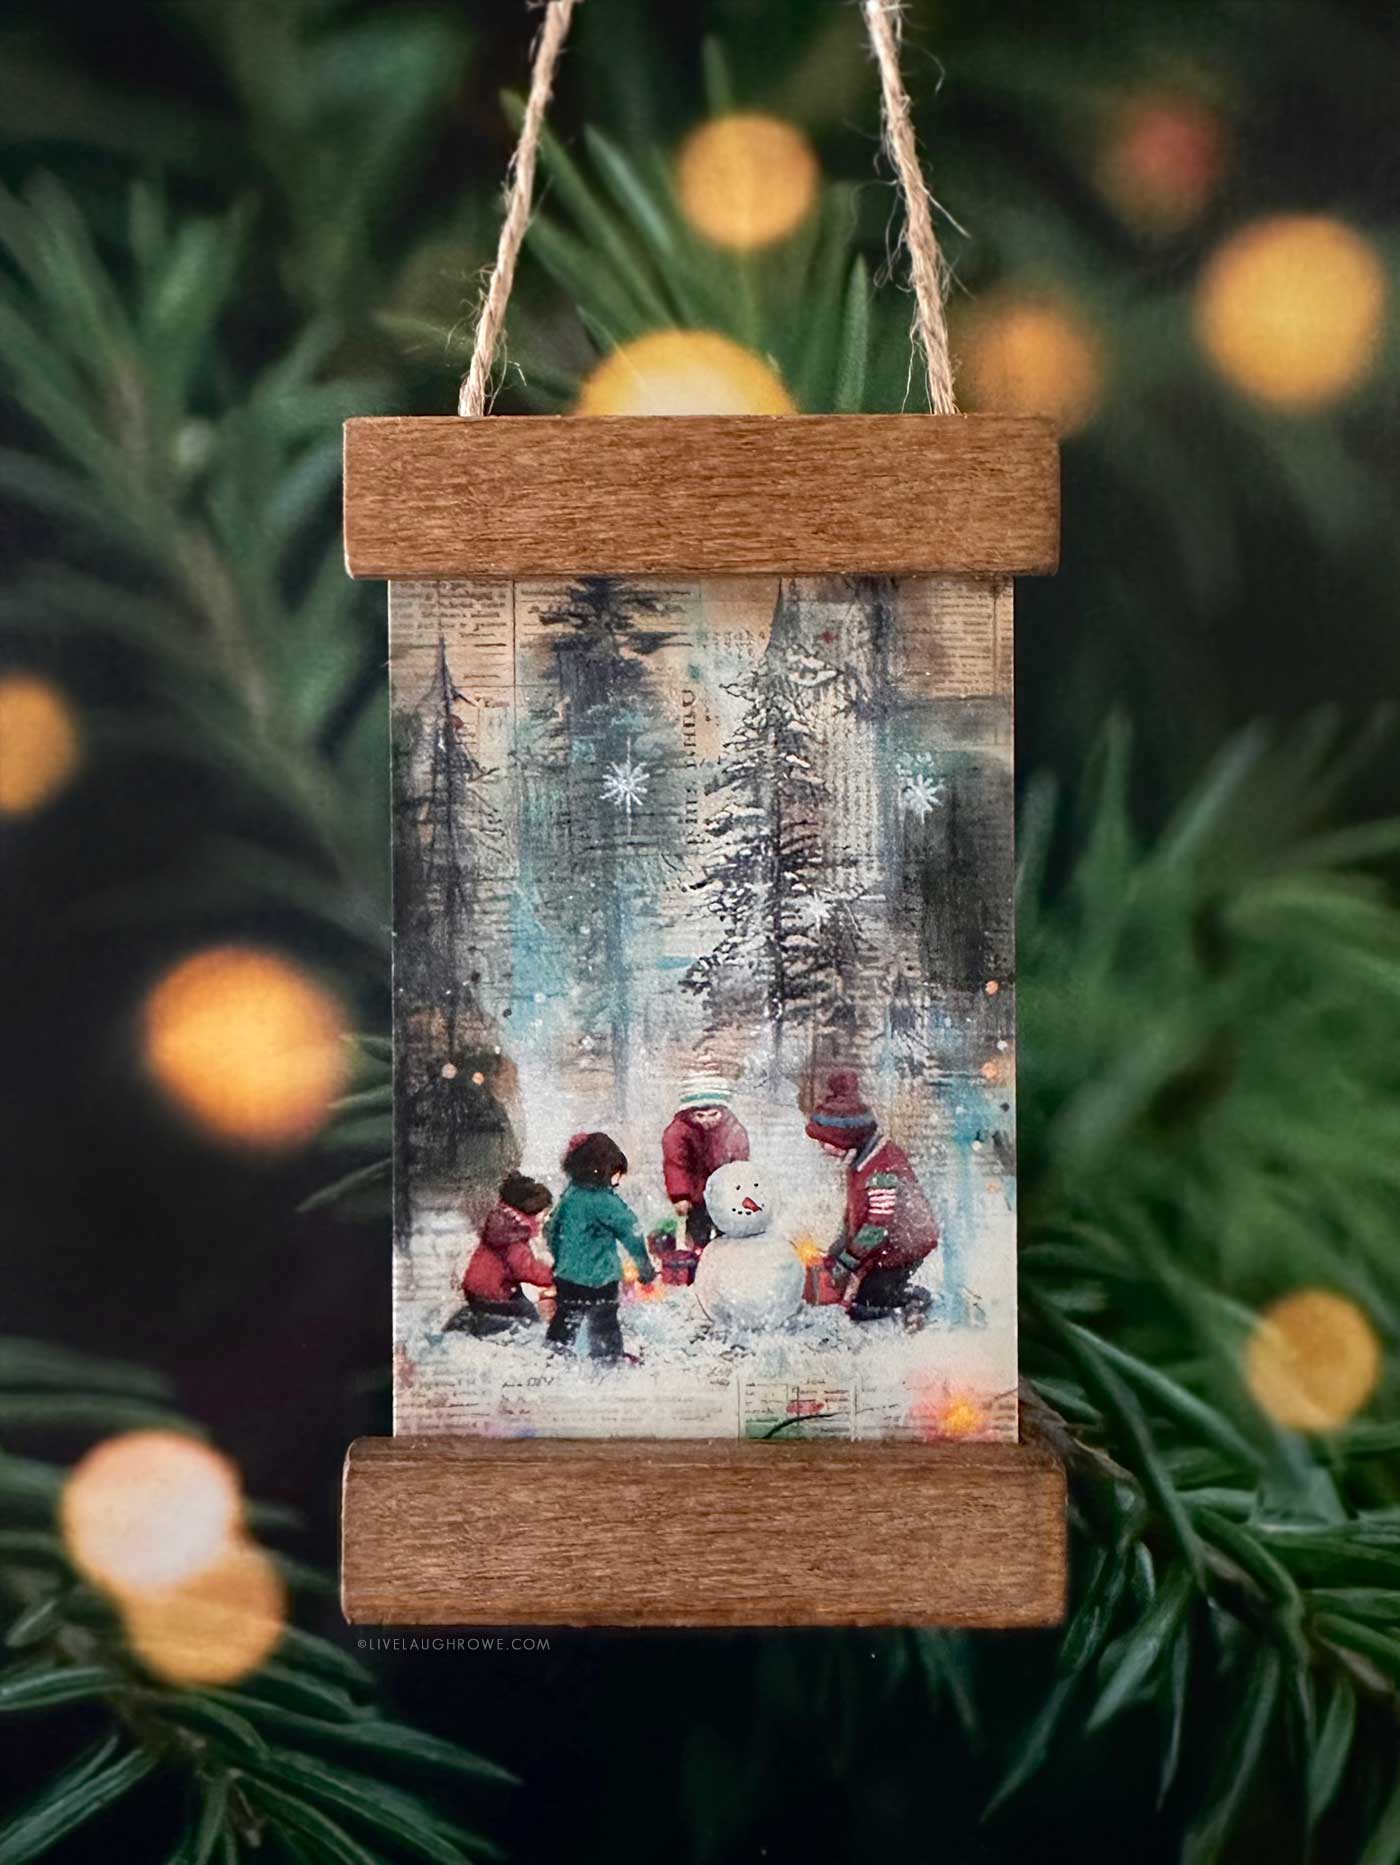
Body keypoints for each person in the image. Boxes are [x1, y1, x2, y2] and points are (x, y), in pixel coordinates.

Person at [804, 1070, 938, 1327]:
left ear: (845, 1140)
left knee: (868, 1302)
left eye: (826, 1143)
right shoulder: (860, 1160)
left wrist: (848, 1262)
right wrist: (837, 1250)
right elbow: (855, 1212)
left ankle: (913, 1302)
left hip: (903, 1244)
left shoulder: (883, 1167)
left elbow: (877, 1226)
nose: (823, 1149)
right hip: (882, 1243)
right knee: (857, 1293)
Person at [545, 1132, 655, 1360]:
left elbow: (551, 1230)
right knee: (604, 1323)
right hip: (600, 1278)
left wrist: (560, 1259)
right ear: (606, 1170)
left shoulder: (570, 1196)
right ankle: (608, 1362)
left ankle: (554, 1359)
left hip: (567, 1277)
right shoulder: (605, 1201)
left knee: (565, 1319)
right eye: (616, 1174)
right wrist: (645, 1268)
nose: (618, 1180)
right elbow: (632, 1232)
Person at [659, 1075, 750, 1283]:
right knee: (696, 1231)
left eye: (713, 1114)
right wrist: (680, 1195)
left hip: (723, 1192)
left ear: (723, 1110)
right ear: (689, 1113)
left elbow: (740, 1162)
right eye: (700, 1115)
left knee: (726, 1231)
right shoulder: (678, 1132)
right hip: (695, 1192)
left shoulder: (733, 1130)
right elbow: (675, 1164)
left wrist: (737, 1189)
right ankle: (696, 1269)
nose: (707, 1121)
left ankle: (723, 1269)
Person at [447, 1172, 554, 1339]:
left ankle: (474, 1322)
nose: (546, 1220)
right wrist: (554, 1275)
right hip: (495, 1293)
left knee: (517, 1302)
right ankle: (521, 1338)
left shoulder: (503, 1226)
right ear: (531, 1211)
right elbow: (524, 1269)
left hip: (478, 1288)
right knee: (529, 1317)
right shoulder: (514, 1235)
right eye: (545, 1214)